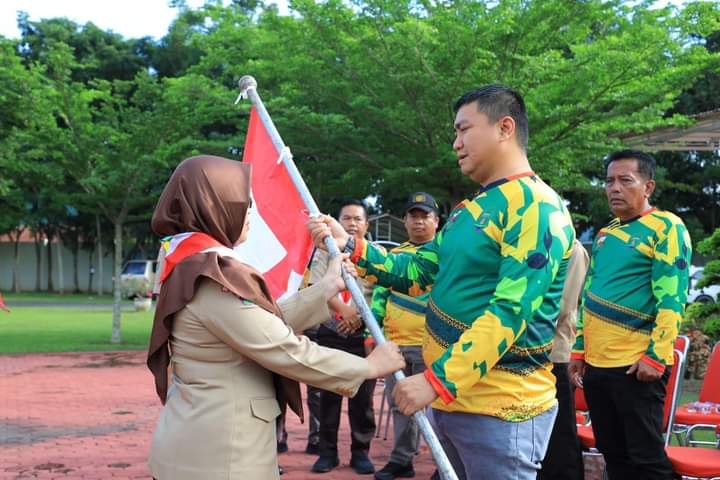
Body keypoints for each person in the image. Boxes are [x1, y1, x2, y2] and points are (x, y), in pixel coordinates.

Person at [309, 85, 575, 480]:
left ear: (504, 128)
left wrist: (437, 381)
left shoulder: (534, 206)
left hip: (499, 406)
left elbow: (510, 311)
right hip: (456, 402)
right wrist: (352, 246)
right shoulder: (473, 209)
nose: (456, 143)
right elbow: (418, 272)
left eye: (464, 130)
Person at [146, 155, 404, 480]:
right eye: (243, 203)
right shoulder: (210, 276)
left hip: (205, 443)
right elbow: (282, 348)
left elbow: (259, 324)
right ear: (215, 207)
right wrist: (368, 367)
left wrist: (325, 288)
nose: (251, 213)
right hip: (221, 456)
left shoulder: (190, 261)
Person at [569, 150, 692, 480]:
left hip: (636, 367)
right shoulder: (606, 234)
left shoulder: (666, 228)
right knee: (615, 457)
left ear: (648, 186)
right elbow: (589, 297)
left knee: (647, 460)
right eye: (609, 181)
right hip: (597, 366)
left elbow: (672, 300)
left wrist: (657, 356)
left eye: (626, 180)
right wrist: (579, 350)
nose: (614, 188)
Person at [372, 192, 440, 480]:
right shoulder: (395, 256)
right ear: (405, 220)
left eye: (425, 216)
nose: (419, 222)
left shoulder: (445, 257)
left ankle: (444, 464)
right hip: (396, 346)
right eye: (414, 215)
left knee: (439, 411)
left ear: (437, 221)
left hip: (431, 346)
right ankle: (402, 460)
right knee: (400, 405)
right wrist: (372, 333)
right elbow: (379, 295)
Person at [311, 199, 378, 475]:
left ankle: (360, 453)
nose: (351, 224)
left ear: (367, 224)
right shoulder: (325, 252)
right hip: (332, 330)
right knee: (328, 396)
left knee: (363, 399)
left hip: (363, 334)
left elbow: (381, 293)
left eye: (357, 219)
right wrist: (345, 311)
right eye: (346, 218)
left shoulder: (375, 255)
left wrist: (359, 318)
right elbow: (318, 286)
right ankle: (327, 452)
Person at [537, 239, 588, 480]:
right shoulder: (531, 243)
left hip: (554, 355)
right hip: (528, 355)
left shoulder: (573, 249)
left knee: (559, 439)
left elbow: (563, 306)